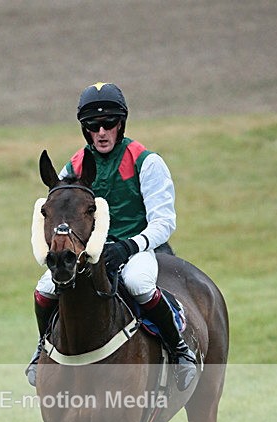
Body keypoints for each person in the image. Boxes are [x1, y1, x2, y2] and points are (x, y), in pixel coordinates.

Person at [27, 82, 197, 391]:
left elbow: (164, 221)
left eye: (109, 124)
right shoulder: (74, 165)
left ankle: (180, 352)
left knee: (138, 283)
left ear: (121, 124)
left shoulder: (146, 161)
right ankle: (42, 347)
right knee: (43, 289)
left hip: (136, 248)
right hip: (90, 254)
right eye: (94, 126)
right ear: (85, 130)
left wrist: (129, 246)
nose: (102, 131)